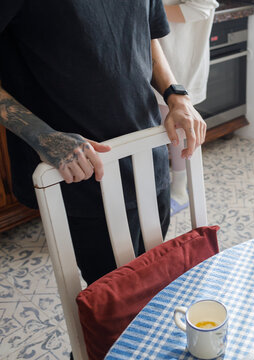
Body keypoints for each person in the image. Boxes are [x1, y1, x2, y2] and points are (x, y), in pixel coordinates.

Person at [0, 0, 206, 285]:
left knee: (155, 276)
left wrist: (176, 94)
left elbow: (147, 33)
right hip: (82, 171)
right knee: (114, 294)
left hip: (146, 152)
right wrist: (41, 134)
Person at [157, 0, 218, 212]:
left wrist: (145, 11)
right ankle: (174, 185)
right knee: (166, 131)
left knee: (177, 132)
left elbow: (200, 8)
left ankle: (181, 188)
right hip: (157, 57)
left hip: (179, 59)